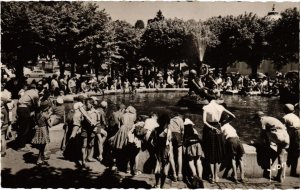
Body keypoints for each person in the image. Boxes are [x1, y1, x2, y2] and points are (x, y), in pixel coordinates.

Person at [202, 99, 235, 183]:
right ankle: (216, 176)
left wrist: (211, 127)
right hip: (218, 128)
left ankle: (212, 177)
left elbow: (204, 121)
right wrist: (223, 123)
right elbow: (233, 116)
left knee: (209, 152)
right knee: (217, 152)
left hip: (209, 130)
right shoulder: (220, 107)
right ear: (217, 100)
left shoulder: (206, 107)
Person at [254, 111, 290, 182]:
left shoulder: (262, 120)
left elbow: (262, 133)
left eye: (256, 120)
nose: (256, 122)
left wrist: (257, 142)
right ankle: (280, 177)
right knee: (281, 157)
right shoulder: (271, 119)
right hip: (286, 136)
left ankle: (271, 174)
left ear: (259, 117)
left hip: (278, 137)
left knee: (265, 133)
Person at [220, 114, 245, 183]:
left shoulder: (222, 127)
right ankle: (242, 177)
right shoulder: (231, 126)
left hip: (231, 140)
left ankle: (235, 177)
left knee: (233, 158)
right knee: (240, 159)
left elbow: (222, 139)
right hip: (238, 140)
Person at [151, 113, 172, 188]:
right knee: (165, 169)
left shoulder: (155, 130)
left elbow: (152, 142)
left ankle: (157, 184)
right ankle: (162, 186)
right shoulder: (168, 131)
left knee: (157, 167)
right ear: (167, 122)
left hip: (157, 150)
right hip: (165, 150)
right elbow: (169, 142)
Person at [16, 84, 39, 151]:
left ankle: (21, 143)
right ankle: (21, 146)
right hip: (24, 109)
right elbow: (36, 105)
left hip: (19, 108)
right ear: (35, 88)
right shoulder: (35, 93)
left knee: (21, 126)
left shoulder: (26, 92)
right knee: (25, 127)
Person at [283, 104, 300, 177]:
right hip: (298, 135)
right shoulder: (296, 117)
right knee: (296, 153)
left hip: (293, 136)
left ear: (285, 110)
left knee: (292, 151)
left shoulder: (285, 117)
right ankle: (293, 171)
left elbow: (283, 129)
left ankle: (289, 166)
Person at [168, 114, 184, 181]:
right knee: (179, 155)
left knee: (171, 154)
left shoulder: (170, 120)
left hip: (171, 135)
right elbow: (182, 130)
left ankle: (174, 174)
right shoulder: (180, 119)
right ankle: (180, 174)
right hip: (178, 135)